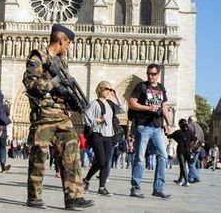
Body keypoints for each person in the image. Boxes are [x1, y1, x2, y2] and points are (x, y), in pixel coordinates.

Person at [23, 24, 94, 210]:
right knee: (39, 157)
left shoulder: (61, 62)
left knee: (72, 154)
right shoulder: (38, 57)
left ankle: (74, 197)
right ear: (61, 40)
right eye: (68, 43)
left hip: (62, 115)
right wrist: (54, 82)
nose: (68, 46)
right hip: (44, 116)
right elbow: (31, 86)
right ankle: (34, 197)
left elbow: (65, 89)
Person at [129, 63, 173, 199]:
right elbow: (132, 102)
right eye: (148, 73)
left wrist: (169, 123)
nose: (150, 76)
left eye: (153, 74)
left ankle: (158, 188)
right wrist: (148, 108)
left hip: (157, 127)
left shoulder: (161, 88)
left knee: (163, 155)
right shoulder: (141, 86)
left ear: (158, 74)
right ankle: (135, 187)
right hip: (143, 126)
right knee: (140, 158)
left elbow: (164, 106)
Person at [82, 81, 125, 196]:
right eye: (106, 89)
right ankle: (86, 179)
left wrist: (116, 96)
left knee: (106, 163)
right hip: (97, 134)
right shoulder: (94, 103)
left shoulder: (110, 104)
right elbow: (85, 117)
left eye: (110, 89)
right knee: (101, 161)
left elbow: (122, 110)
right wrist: (98, 120)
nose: (108, 91)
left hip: (109, 136)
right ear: (99, 89)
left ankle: (102, 187)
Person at [167, 119, 196, 187]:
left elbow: (169, 136)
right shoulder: (190, 132)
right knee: (183, 165)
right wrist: (191, 147)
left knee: (182, 166)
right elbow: (196, 139)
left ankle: (186, 181)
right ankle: (180, 180)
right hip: (188, 151)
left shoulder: (178, 132)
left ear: (180, 125)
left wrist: (167, 130)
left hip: (181, 151)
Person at [187, 116, 205, 183]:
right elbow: (203, 139)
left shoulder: (189, 126)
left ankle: (196, 177)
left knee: (191, 164)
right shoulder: (200, 127)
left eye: (188, 119)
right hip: (198, 148)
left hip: (192, 147)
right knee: (193, 163)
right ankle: (191, 177)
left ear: (190, 120)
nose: (187, 120)